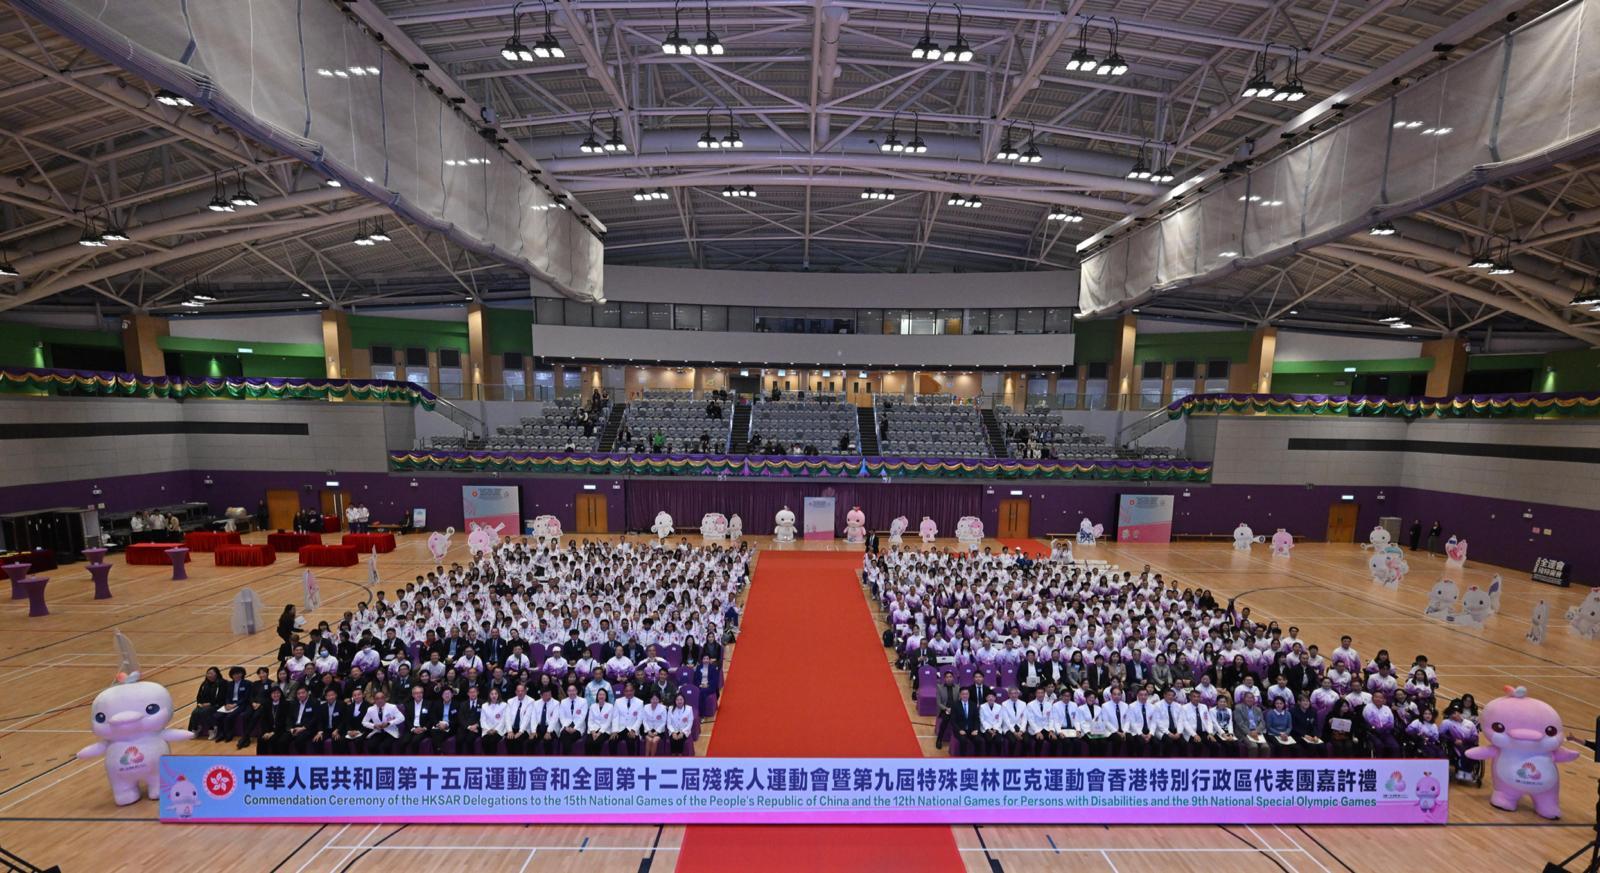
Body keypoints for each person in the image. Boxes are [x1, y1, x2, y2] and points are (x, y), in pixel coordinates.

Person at [189, 667, 224, 739]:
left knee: (205, 712)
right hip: (204, 705)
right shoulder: (204, 684)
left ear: (216, 674)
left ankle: (212, 729)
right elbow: (199, 696)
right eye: (208, 673)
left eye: (211, 673)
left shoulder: (221, 683)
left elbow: (221, 697)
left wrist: (210, 704)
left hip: (217, 705)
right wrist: (199, 703)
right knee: (195, 712)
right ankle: (195, 729)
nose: (209, 675)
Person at [641, 691, 668, 756]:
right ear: (650, 699)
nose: (654, 701)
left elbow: (664, 722)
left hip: (659, 731)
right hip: (648, 730)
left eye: (656, 699)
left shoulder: (663, 708)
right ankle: (646, 757)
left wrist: (657, 732)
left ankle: (652, 758)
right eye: (653, 699)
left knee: (654, 741)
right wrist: (648, 731)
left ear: (659, 700)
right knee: (649, 739)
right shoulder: (645, 707)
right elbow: (644, 721)